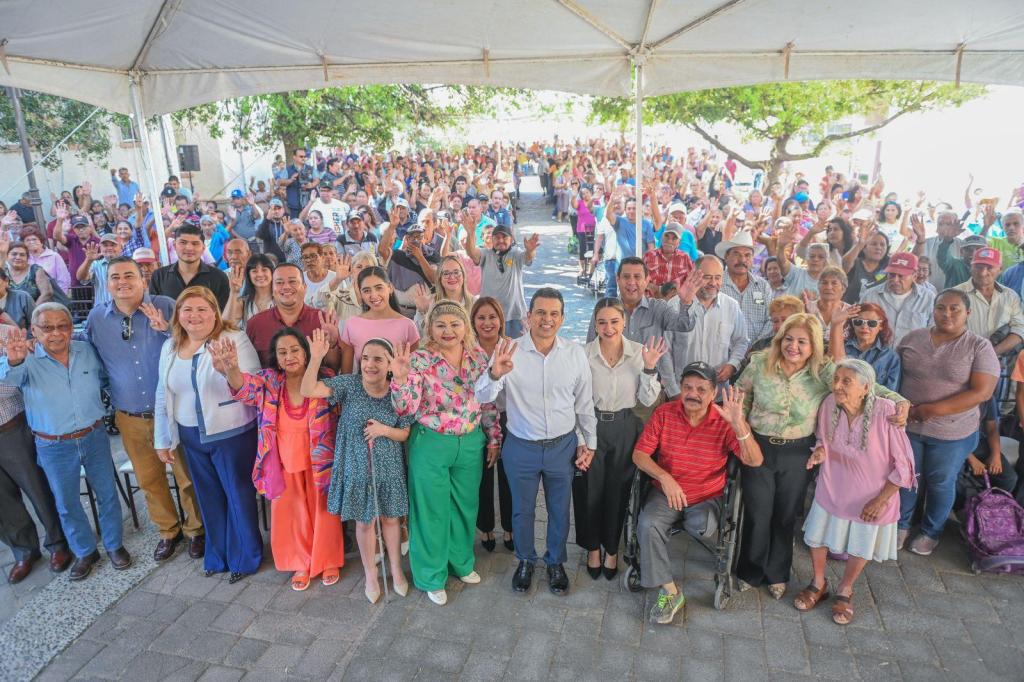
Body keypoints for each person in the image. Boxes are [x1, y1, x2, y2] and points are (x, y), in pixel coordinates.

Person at [734, 313, 907, 599]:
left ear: (813, 345)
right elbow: (741, 398)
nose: (794, 346)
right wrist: (742, 430)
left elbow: (862, 384)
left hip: (798, 452)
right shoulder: (759, 363)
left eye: (802, 341)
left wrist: (899, 400)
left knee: (785, 514)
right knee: (757, 512)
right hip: (758, 447)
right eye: (789, 339)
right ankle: (750, 571)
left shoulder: (823, 371)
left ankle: (777, 575)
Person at [475, 288, 597, 596]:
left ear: (562, 318)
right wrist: (494, 373)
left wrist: (589, 442)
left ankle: (555, 562)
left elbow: (584, 403)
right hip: (521, 447)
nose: (547, 319)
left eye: (554, 313)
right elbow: (482, 397)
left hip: (562, 446)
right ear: (528, 316)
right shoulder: (509, 350)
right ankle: (526, 560)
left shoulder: (575, 354)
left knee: (559, 509)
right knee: (522, 510)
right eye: (540, 312)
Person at [86, 257, 205, 562]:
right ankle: (169, 531)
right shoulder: (97, 318)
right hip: (130, 415)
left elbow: (196, 344)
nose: (122, 282)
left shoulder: (166, 306)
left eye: (129, 275)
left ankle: (196, 530)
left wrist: (167, 331)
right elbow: (93, 361)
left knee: (186, 475)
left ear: (143, 279)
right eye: (115, 277)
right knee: (149, 477)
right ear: (107, 282)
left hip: (175, 411)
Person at [0, 304, 130, 580]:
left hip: (93, 435)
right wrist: (14, 361)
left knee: (106, 494)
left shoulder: (86, 351)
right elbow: (9, 384)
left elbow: (106, 380)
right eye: (47, 328)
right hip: (53, 445)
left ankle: (114, 545)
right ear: (33, 331)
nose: (56, 333)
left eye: (63, 326)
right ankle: (84, 551)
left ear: (72, 328)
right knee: (66, 502)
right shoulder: (24, 358)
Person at [210, 328, 344, 591]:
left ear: (306, 354)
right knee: (291, 514)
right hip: (283, 460)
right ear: (275, 357)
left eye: (295, 350)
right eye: (282, 352)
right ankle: (300, 563)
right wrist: (231, 370)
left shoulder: (326, 378)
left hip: (321, 460)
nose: (289, 356)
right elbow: (244, 389)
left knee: (324, 511)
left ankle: (328, 560)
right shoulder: (270, 380)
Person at [634, 366, 763, 625]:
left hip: (705, 495)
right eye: (688, 388)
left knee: (702, 528)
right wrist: (664, 477)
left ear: (714, 392)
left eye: (701, 389)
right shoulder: (664, 413)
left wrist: (738, 424)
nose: (693, 394)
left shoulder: (724, 422)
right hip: (667, 492)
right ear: (680, 389)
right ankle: (670, 591)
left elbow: (755, 460)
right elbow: (640, 455)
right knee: (647, 525)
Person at [390, 302, 500, 605]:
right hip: (431, 442)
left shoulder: (478, 357)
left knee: (465, 506)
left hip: (470, 441)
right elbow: (406, 409)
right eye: (441, 325)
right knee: (432, 511)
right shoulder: (419, 359)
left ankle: (461, 562)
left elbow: (487, 403)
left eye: (455, 324)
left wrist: (493, 437)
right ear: (430, 330)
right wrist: (400, 380)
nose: (448, 330)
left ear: (465, 326)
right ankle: (430, 575)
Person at [154, 286, 263, 583]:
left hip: (231, 434)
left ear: (215, 312)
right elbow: (163, 394)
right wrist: (162, 439)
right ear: (178, 315)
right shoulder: (170, 347)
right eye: (187, 309)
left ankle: (246, 557)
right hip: (191, 436)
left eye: (202, 309)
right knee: (208, 497)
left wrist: (230, 370)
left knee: (238, 495)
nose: (195, 315)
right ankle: (218, 555)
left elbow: (254, 386)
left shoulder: (234, 339)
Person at [795, 359, 915, 625]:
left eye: (846, 381)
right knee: (816, 537)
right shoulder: (829, 404)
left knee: (861, 543)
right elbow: (823, 439)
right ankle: (818, 582)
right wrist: (819, 452)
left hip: (871, 494)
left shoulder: (887, 412)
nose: (837, 386)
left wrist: (880, 499)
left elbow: (904, 465)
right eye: (836, 379)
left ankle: (846, 588)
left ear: (866, 388)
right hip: (833, 484)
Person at [302, 333, 412, 603]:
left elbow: (405, 432)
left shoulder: (399, 389)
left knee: (390, 518)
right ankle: (371, 573)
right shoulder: (349, 385)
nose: (369, 364)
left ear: (390, 364)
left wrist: (384, 429)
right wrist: (315, 358)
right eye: (365, 358)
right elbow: (307, 390)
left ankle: (396, 570)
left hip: (388, 467)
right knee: (364, 522)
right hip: (355, 464)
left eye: (378, 359)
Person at [896, 289, 999, 556]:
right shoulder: (914, 338)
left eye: (954, 308)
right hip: (909, 427)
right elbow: (893, 373)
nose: (947, 313)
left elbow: (982, 392)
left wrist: (931, 410)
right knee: (907, 477)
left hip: (953, 432)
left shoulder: (978, 346)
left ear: (968, 313)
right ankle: (901, 524)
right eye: (941, 307)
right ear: (933, 310)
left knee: (941, 481)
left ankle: (931, 531)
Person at [578, 298, 666, 580]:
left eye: (614, 321)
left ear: (624, 322)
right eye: (602, 322)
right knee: (590, 490)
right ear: (595, 324)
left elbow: (647, 399)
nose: (608, 327)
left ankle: (611, 549)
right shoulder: (583, 354)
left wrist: (650, 368)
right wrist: (581, 437)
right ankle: (592, 548)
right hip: (591, 425)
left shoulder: (640, 353)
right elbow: (576, 400)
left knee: (618, 492)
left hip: (626, 426)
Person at [0, 337, 72, 583]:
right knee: (3, 504)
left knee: (39, 490)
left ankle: (58, 543)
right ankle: (24, 551)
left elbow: (13, 384)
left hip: (11, 430)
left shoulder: (5, 334)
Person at [586, 257, 701, 402]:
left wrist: (686, 302)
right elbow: (590, 349)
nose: (631, 282)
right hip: (612, 392)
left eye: (637, 277)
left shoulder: (658, 308)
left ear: (647, 280)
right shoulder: (604, 310)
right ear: (617, 279)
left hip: (649, 392)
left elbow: (685, 325)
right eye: (626, 277)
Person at [471, 296, 514, 552]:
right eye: (481, 317)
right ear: (473, 322)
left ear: (501, 320)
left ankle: (509, 528)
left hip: (509, 418)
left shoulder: (511, 347)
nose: (487, 323)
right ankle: (486, 528)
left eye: (492, 317)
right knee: (482, 477)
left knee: (508, 477)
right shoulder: (467, 350)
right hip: (476, 422)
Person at [669, 255, 749, 389]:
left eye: (717, 277)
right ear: (694, 275)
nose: (713, 282)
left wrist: (732, 365)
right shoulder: (674, 305)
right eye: (707, 277)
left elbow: (741, 342)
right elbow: (664, 350)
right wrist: (672, 390)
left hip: (717, 392)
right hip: (681, 391)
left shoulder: (731, 306)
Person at [246, 262, 340, 369]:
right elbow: (249, 370)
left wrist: (332, 344)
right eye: (279, 282)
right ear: (272, 289)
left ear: (304, 287)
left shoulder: (323, 320)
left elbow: (334, 369)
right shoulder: (256, 324)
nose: (286, 287)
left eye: (292, 281)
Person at [463, 224, 539, 338]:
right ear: (492, 240)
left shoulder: (516, 253)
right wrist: (470, 232)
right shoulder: (486, 254)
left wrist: (531, 251)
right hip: (489, 315)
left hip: (514, 315)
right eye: (497, 238)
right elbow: (471, 252)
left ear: (511, 239)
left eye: (504, 237)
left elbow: (528, 258)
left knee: (516, 350)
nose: (501, 240)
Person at [339, 267, 419, 373]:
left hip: (399, 388)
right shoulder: (352, 324)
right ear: (361, 294)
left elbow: (415, 371)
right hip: (361, 387)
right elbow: (346, 375)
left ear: (390, 288)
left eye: (379, 288)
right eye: (367, 290)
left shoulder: (407, 325)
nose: (374, 295)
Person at [954, 247, 1024, 357]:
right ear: (971, 267)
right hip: (962, 358)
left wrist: (991, 353)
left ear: (1000, 269)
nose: (983, 273)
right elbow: (945, 329)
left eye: (989, 267)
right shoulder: (955, 294)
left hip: (1000, 360)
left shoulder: (1010, 296)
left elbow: (1019, 329)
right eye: (978, 267)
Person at [149, 224, 231, 308]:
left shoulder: (218, 277)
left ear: (203, 247)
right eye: (183, 243)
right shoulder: (159, 276)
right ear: (174, 245)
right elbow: (154, 310)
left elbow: (222, 314)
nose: (189, 248)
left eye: (195, 244)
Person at [860, 252, 935, 343]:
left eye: (901, 276)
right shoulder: (870, 296)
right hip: (876, 355)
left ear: (914, 276)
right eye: (891, 275)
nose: (895, 280)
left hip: (912, 355)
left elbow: (934, 333)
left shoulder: (929, 299)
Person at [719, 230, 776, 344]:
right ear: (726, 256)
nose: (742, 260)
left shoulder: (763, 286)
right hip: (722, 352)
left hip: (755, 353)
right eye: (736, 254)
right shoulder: (716, 284)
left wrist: (755, 346)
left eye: (747, 255)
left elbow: (771, 318)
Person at [828, 303, 901, 391]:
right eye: (858, 322)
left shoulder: (891, 357)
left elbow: (891, 393)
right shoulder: (839, 347)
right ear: (852, 324)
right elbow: (831, 373)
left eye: (872, 323)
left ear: (881, 326)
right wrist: (836, 324)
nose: (864, 327)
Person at [412, 255, 475, 335]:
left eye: (456, 272)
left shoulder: (475, 303)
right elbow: (419, 335)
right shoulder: (429, 302)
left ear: (463, 275)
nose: (452, 277)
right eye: (446, 273)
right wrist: (423, 311)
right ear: (439, 278)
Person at [643, 222, 694, 299]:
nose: (669, 241)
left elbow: (690, 283)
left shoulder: (685, 258)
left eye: (674, 238)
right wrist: (653, 288)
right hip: (651, 303)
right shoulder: (648, 256)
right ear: (662, 237)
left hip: (675, 305)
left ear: (679, 242)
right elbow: (639, 279)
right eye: (667, 236)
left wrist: (676, 291)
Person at [224, 254, 275, 327]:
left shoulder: (281, 299)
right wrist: (234, 293)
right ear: (249, 275)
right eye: (254, 271)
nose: (260, 274)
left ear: (272, 273)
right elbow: (226, 325)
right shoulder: (243, 302)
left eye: (264, 270)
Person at [806, 266, 851, 342]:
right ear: (818, 286)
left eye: (834, 283)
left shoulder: (850, 312)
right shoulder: (807, 308)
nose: (828, 287)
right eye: (824, 283)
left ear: (843, 289)